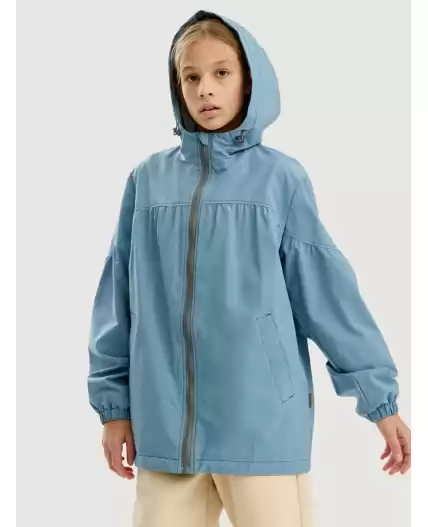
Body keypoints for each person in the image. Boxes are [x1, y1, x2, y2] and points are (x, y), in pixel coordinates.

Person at [87, 9, 411, 527]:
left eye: (221, 73)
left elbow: (326, 294)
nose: (205, 89)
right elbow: (117, 303)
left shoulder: (280, 179)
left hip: (260, 426)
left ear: (249, 80)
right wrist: (114, 408)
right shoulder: (147, 180)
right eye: (191, 77)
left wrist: (380, 400)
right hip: (166, 432)